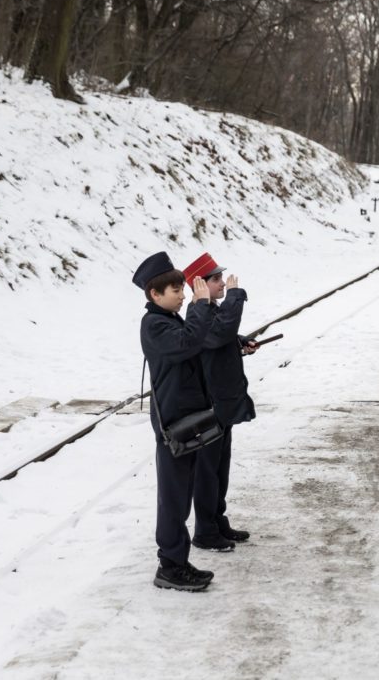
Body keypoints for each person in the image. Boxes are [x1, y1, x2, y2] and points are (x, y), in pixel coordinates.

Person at [133, 251, 215, 592]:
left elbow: (195, 345)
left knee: (181, 493)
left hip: (187, 417)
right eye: (176, 290)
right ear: (155, 294)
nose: (182, 295)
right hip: (173, 424)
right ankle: (170, 565)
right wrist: (199, 306)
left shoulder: (169, 320)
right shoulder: (155, 325)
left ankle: (177, 561)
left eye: (183, 290)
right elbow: (187, 343)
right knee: (173, 496)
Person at [182, 252, 258, 553]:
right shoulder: (196, 312)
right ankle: (204, 530)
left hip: (221, 401)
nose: (222, 283)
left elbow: (222, 335)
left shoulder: (210, 311)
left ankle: (216, 520)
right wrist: (236, 297)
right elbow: (216, 335)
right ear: (199, 284)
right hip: (209, 404)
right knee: (207, 471)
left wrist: (240, 342)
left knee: (220, 467)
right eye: (215, 279)